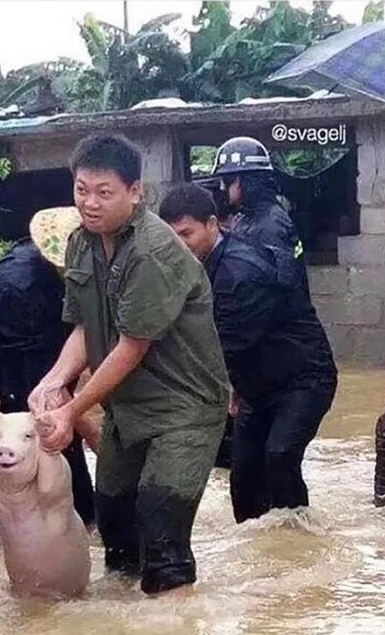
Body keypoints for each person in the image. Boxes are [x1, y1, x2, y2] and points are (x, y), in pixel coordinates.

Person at [27, 134, 229, 596]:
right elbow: (84, 326)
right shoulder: (81, 242)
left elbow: (130, 347)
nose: (89, 203)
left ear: (135, 191)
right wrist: (54, 380)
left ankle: (176, 617)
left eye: (104, 192)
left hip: (185, 410)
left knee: (161, 531)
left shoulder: (154, 252)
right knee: (115, 526)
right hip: (127, 407)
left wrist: (70, 412)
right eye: (81, 190)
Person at [158, 182, 338, 523]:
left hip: (303, 380)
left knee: (280, 455)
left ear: (213, 224)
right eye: (171, 238)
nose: (178, 245)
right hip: (257, 386)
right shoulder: (199, 263)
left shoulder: (240, 274)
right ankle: (258, 554)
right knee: (242, 476)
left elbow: (219, 347)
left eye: (186, 234)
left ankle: (300, 540)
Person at [0, 227, 95, 532]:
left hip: (36, 368)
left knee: (67, 474)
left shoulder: (59, 277)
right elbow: (45, 391)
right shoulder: (19, 286)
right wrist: (96, 439)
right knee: (7, 479)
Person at [211, 136, 310, 297]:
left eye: (227, 180)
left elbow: (282, 287)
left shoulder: (271, 223)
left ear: (242, 180)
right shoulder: (250, 217)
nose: (222, 187)